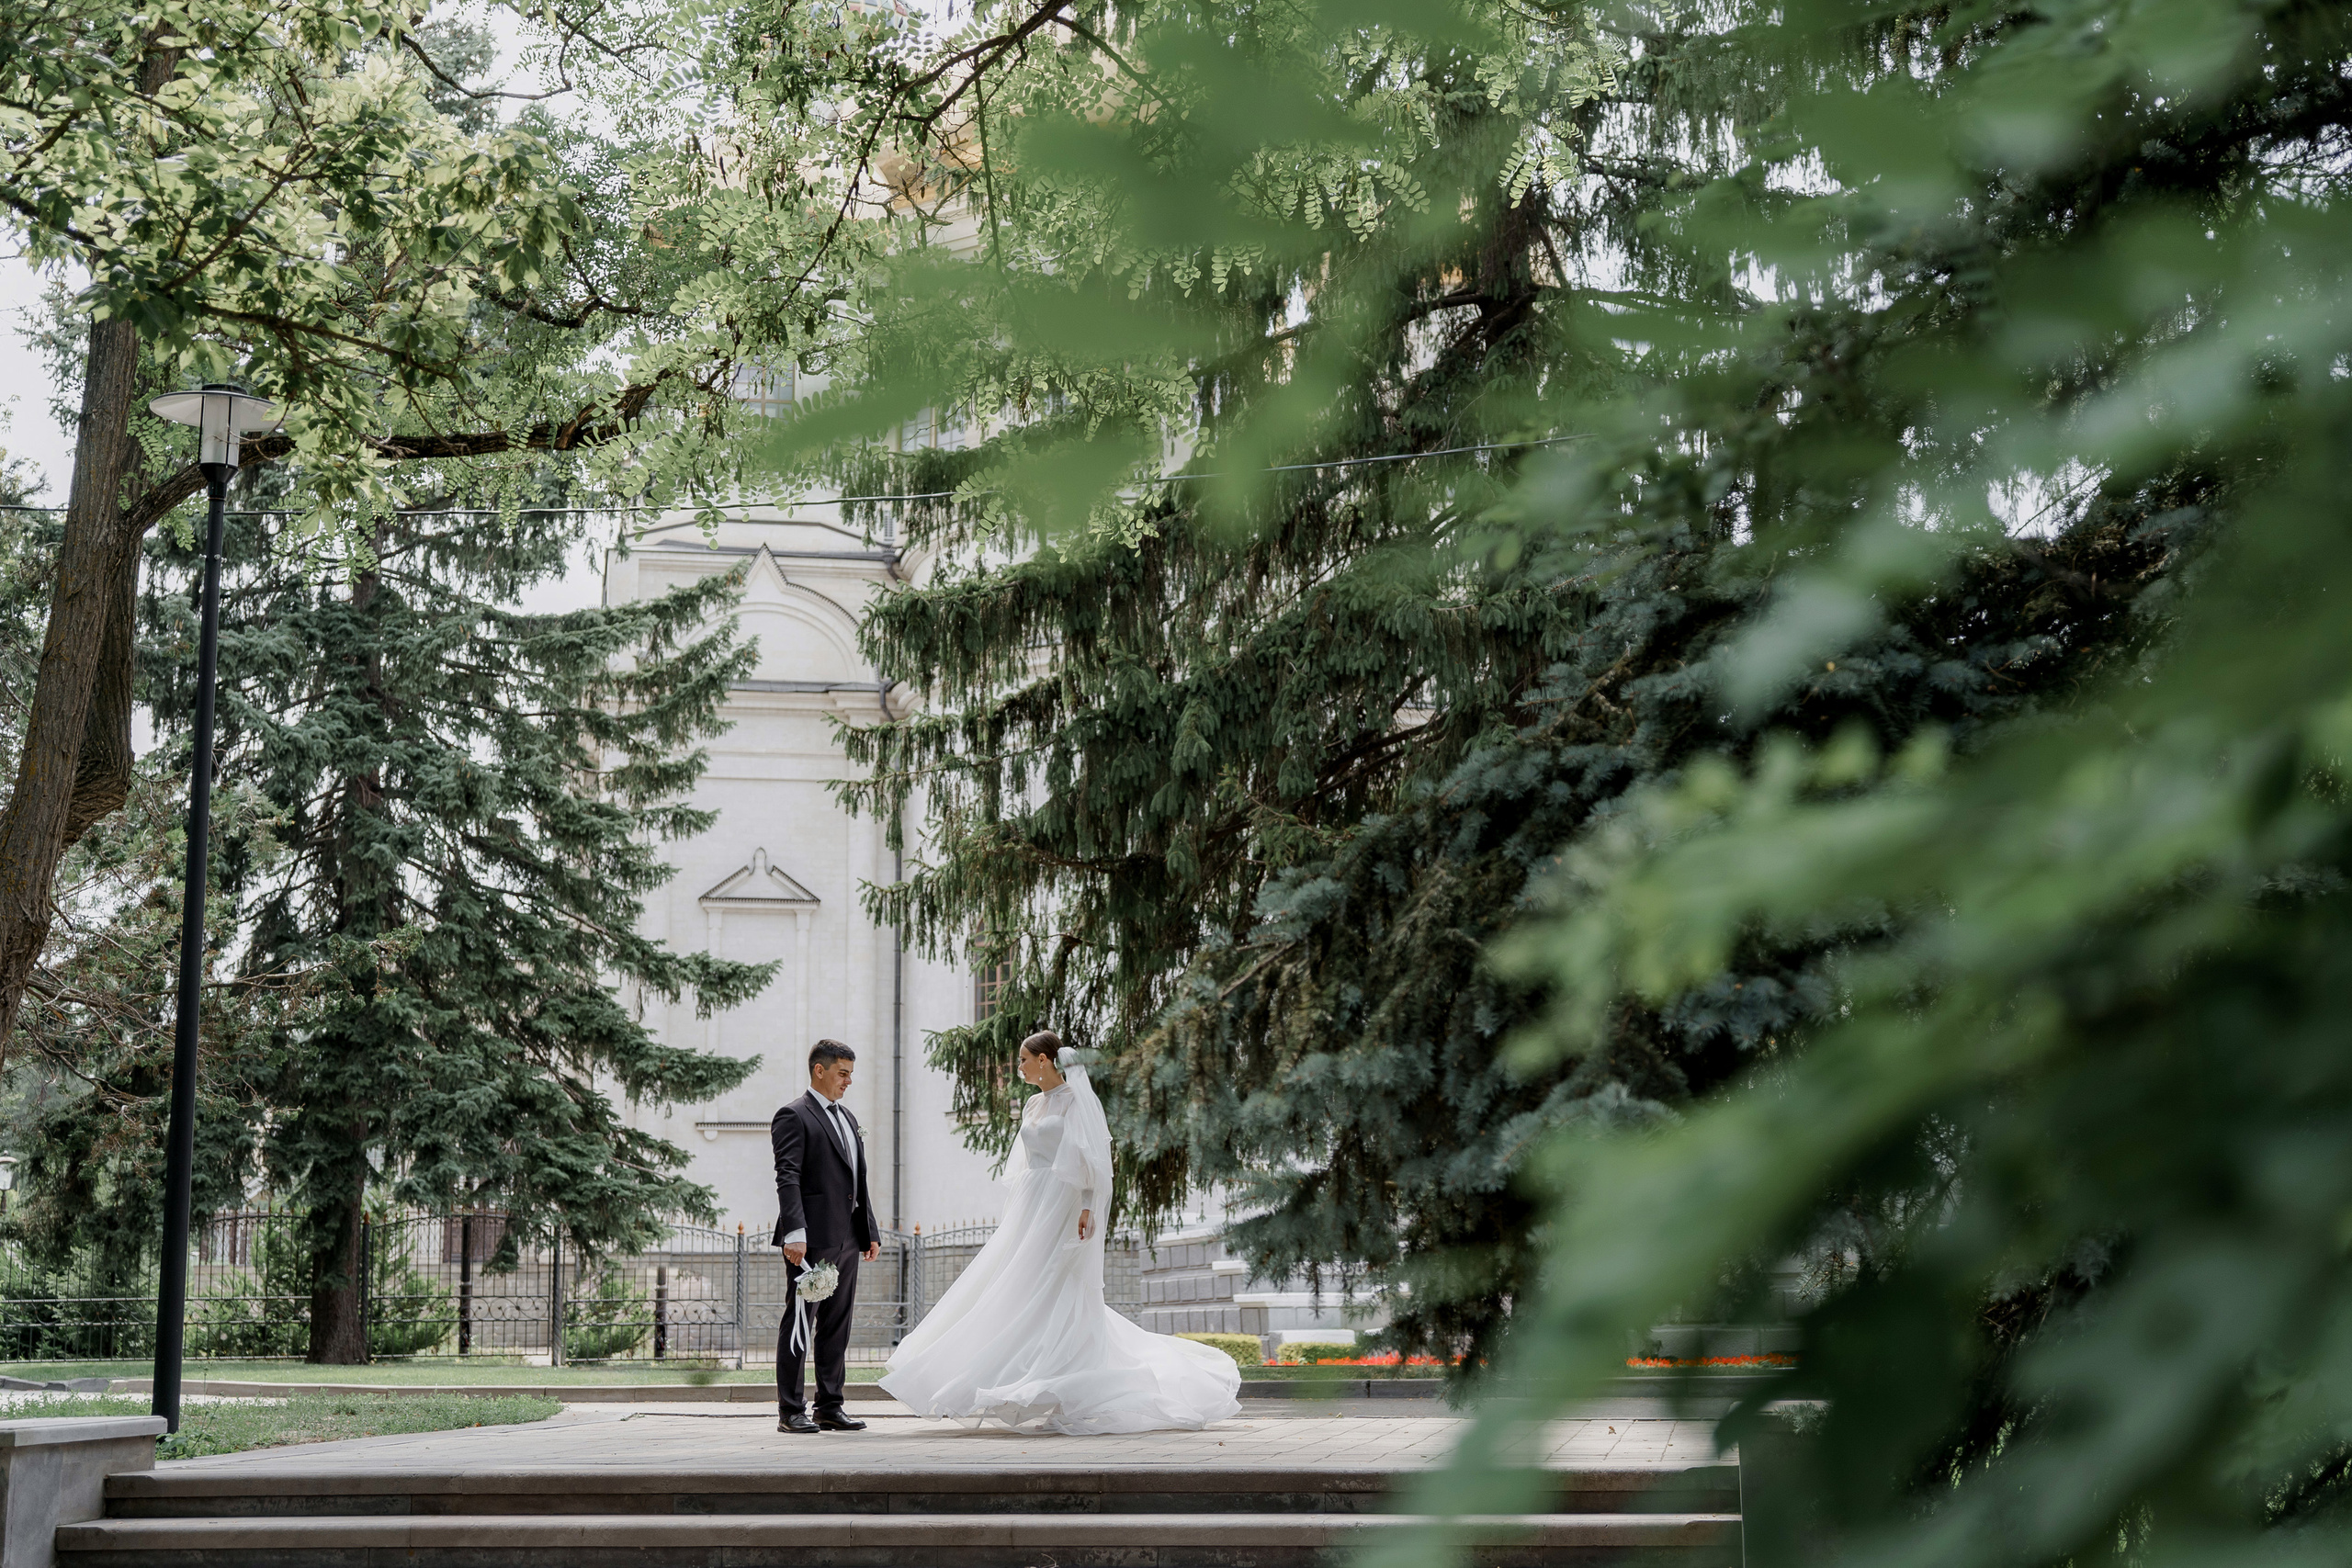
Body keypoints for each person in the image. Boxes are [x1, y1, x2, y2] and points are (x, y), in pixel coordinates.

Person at [881, 1029, 1241, 1433]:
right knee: (1018, 1283)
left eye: (1023, 1059)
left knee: (1056, 1280)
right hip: (1031, 1201)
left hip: (1064, 1200)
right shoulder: (1032, 1103)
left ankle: (1066, 1376)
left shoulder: (1075, 1100)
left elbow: (1091, 1157)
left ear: (1044, 1060)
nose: (1018, 1066)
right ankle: (1021, 1371)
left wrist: (1087, 1204)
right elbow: (1026, 1160)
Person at [771, 1039, 881, 1434]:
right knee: (800, 1322)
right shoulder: (793, 1115)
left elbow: (858, 1179)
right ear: (820, 1070)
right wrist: (795, 1233)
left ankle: (830, 1406)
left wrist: (869, 1230)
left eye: (850, 1074)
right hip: (811, 1238)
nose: (849, 1081)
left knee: (838, 1323)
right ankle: (790, 1410)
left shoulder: (848, 1118)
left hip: (848, 1236)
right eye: (843, 1073)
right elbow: (788, 1176)